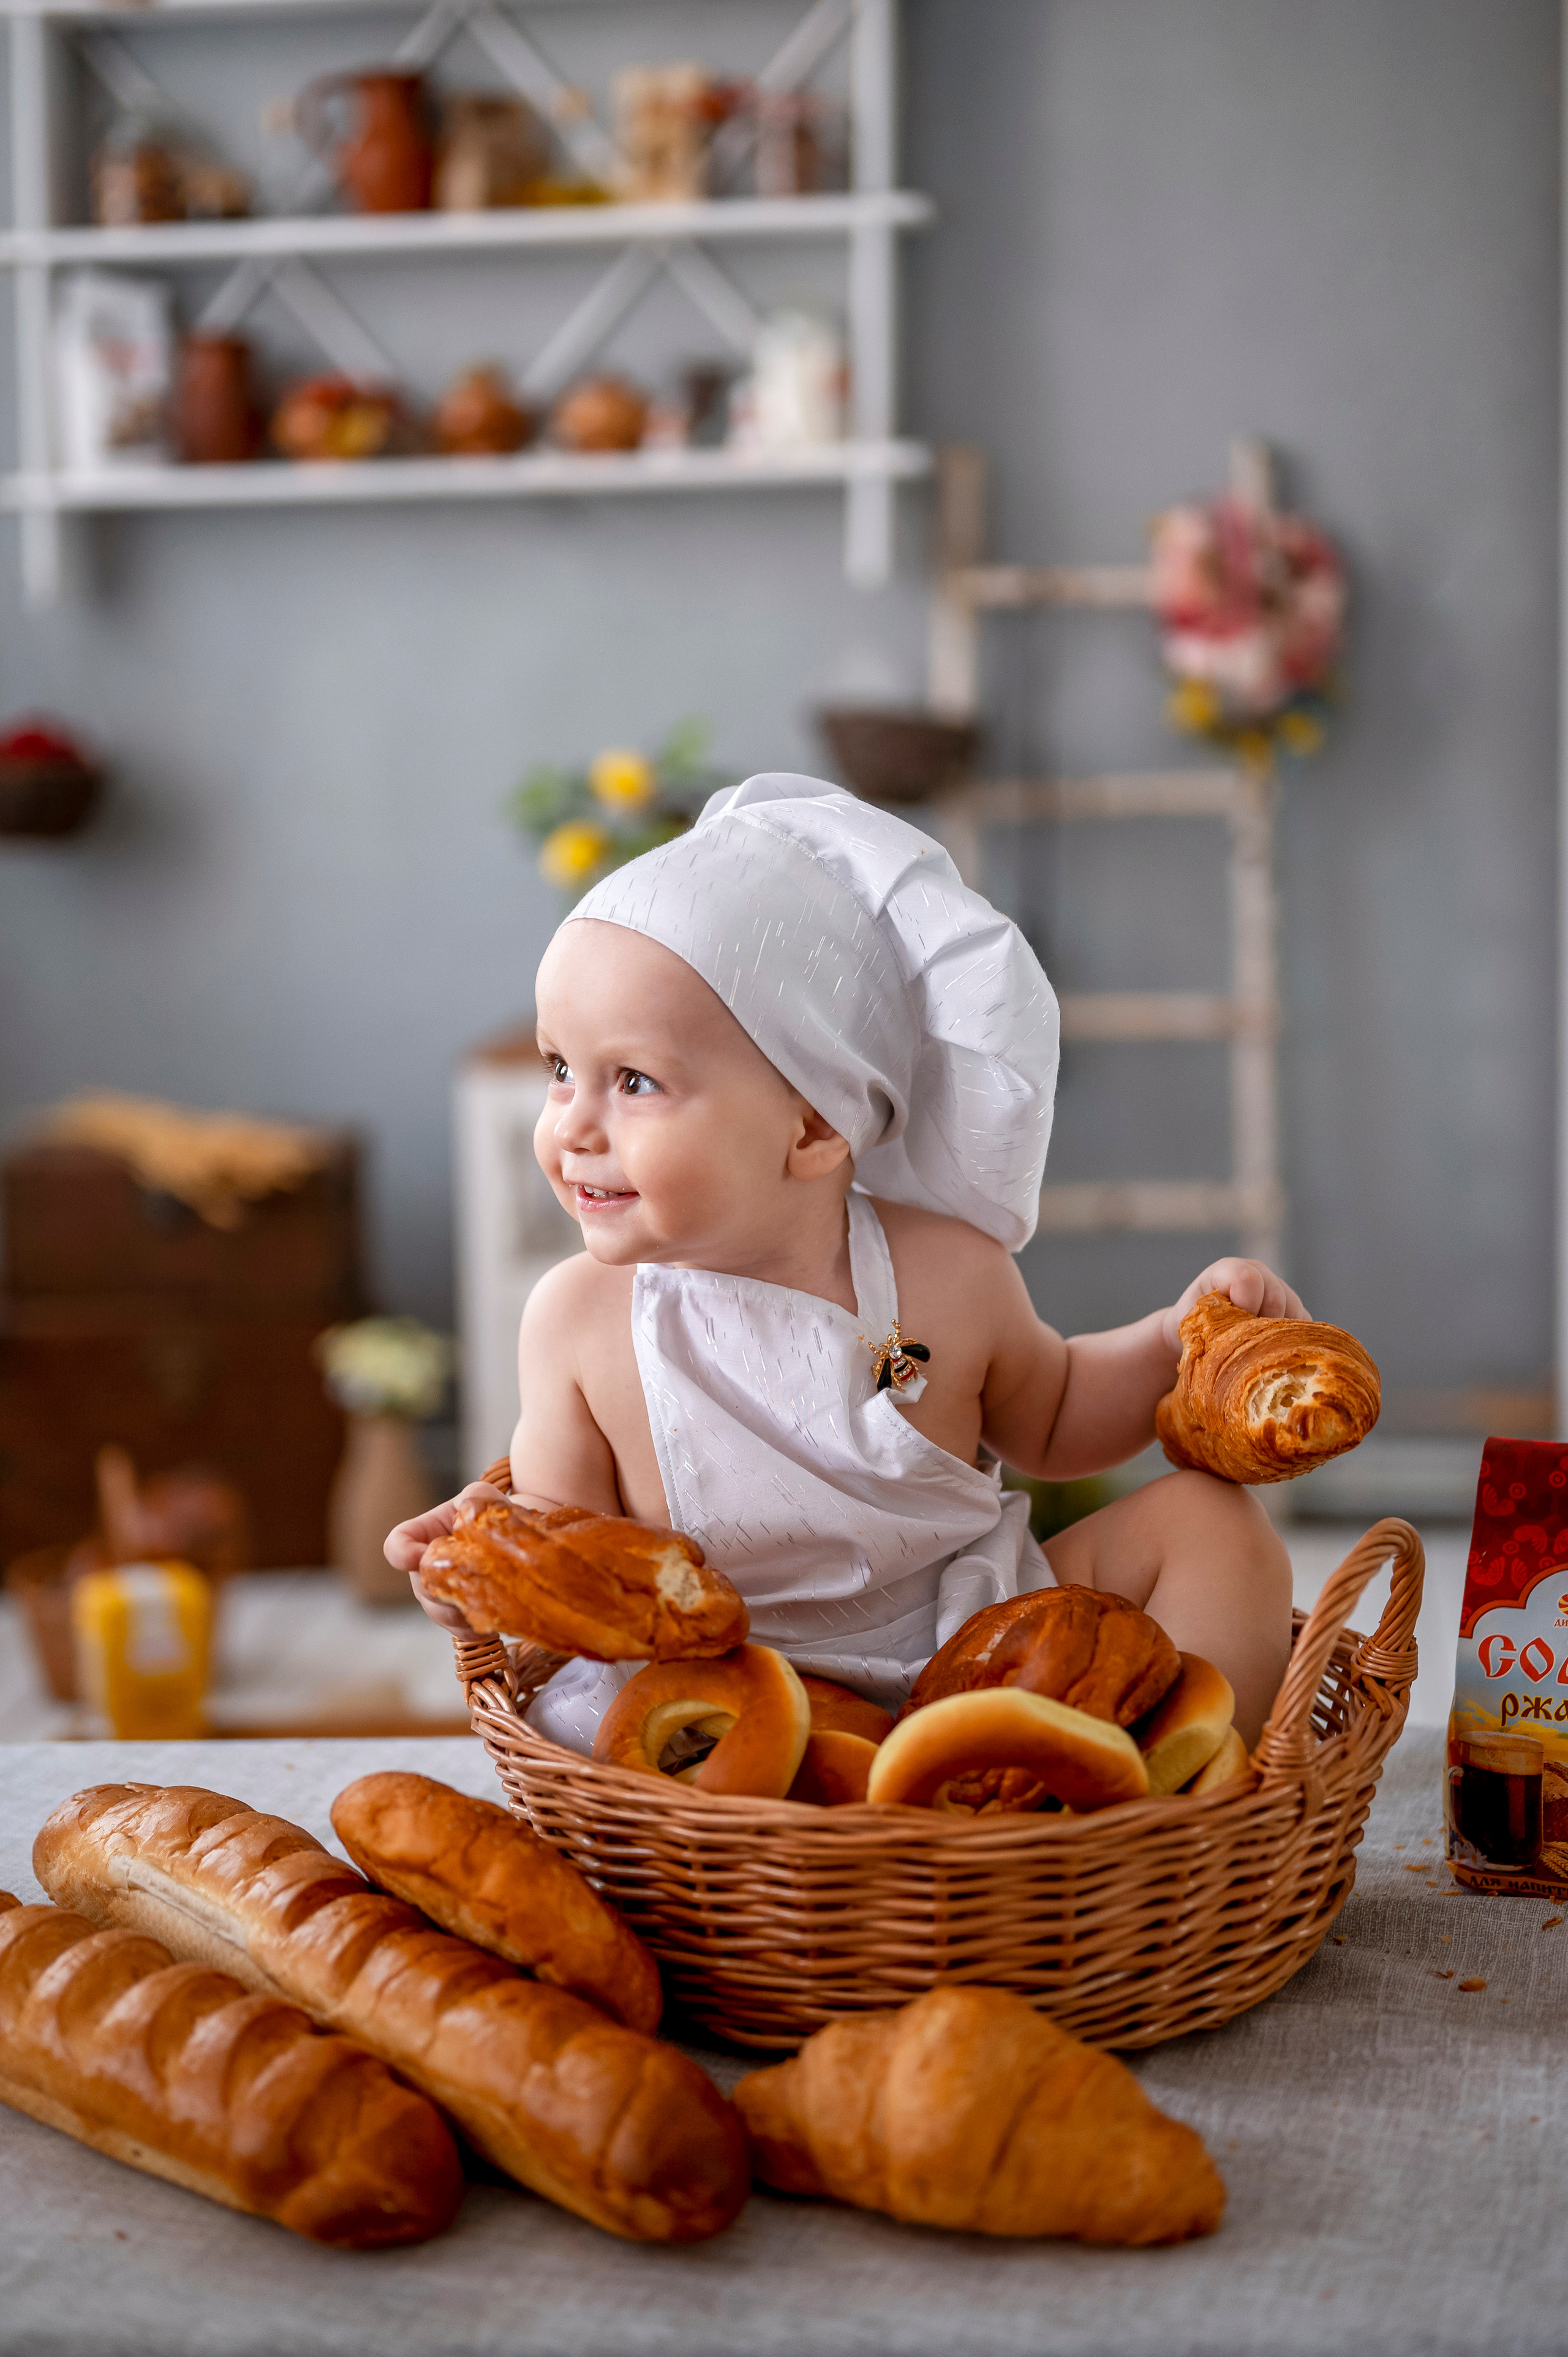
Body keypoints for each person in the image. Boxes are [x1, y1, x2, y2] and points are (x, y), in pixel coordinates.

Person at [390, 773, 1297, 1748]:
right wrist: (488, 1567)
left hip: (986, 1641)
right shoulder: (577, 1321)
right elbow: (573, 1563)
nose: (572, 1124)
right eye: (559, 1068)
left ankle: (1184, 1796)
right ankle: (874, 1824)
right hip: (727, 1697)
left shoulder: (946, 1273)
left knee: (1216, 1525)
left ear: (815, 1126)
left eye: (634, 1081)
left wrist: (1179, 1339)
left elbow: (1060, 1416)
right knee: (646, 1733)